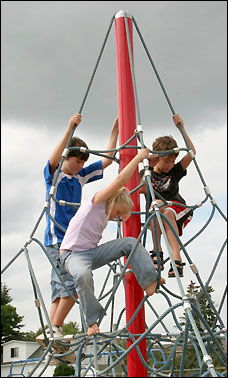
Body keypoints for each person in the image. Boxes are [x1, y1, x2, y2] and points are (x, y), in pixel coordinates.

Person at [60, 148, 166, 336]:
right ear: (114, 200)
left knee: (130, 242)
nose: (115, 217)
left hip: (91, 253)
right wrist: (139, 158)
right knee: (83, 275)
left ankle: (149, 281)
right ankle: (92, 321)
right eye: (118, 212)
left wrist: (150, 163)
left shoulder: (106, 213)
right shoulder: (97, 201)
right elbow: (120, 181)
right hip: (72, 255)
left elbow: (128, 188)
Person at [41, 113, 119, 338]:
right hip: (58, 240)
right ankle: (55, 329)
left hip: (72, 241)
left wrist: (114, 132)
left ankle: (52, 333)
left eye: (83, 162)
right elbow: (54, 160)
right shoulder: (54, 176)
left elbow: (107, 160)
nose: (80, 166)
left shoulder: (80, 176)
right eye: (77, 161)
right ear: (67, 157)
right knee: (72, 287)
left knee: (59, 291)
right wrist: (69, 130)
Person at [139, 114, 196, 278]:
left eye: (172, 161)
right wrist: (148, 167)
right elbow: (141, 189)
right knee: (156, 208)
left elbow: (191, 153)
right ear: (156, 157)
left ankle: (176, 258)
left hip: (175, 208)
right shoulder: (147, 172)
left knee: (165, 210)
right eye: (166, 161)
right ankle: (157, 251)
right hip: (156, 212)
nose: (170, 165)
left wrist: (182, 128)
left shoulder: (175, 171)